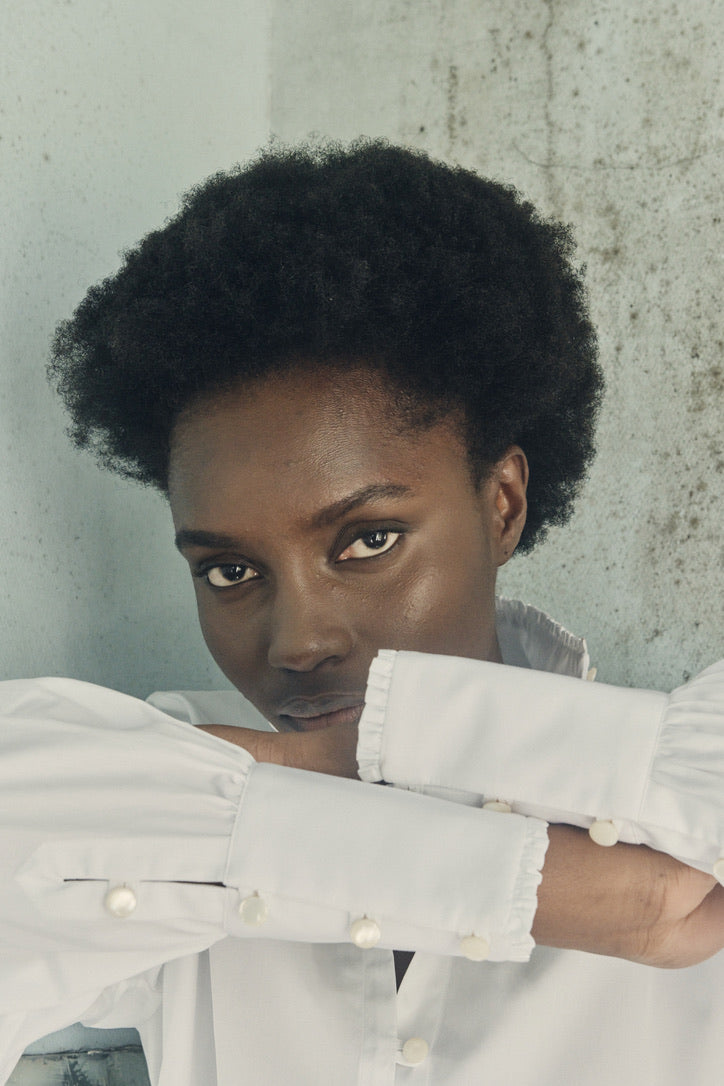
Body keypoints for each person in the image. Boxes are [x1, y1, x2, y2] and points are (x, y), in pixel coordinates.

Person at [2, 140, 722, 1085]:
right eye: (228, 571)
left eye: (367, 542)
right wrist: (331, 769)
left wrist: (412, 740)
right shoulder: (172, 808)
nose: (297, 639)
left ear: (502, 503)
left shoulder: (675, 801)